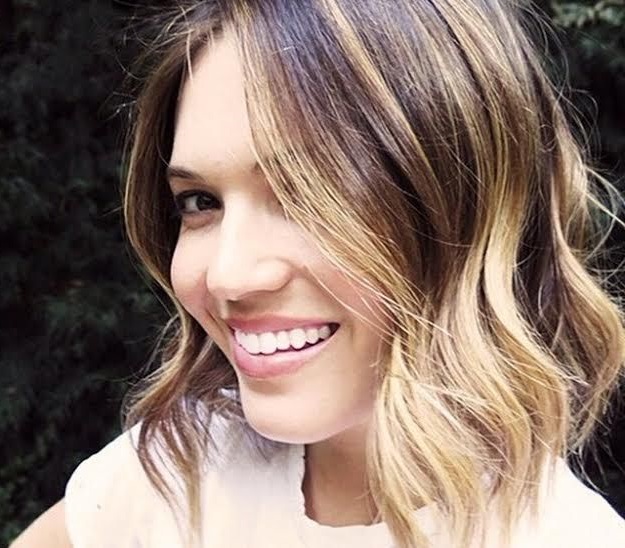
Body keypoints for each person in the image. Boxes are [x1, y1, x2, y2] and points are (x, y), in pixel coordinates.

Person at [11, 0, 625, 547]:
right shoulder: (175, 474)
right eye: (199, 202)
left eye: (307, 194)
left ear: (468, 207)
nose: (228, 276)